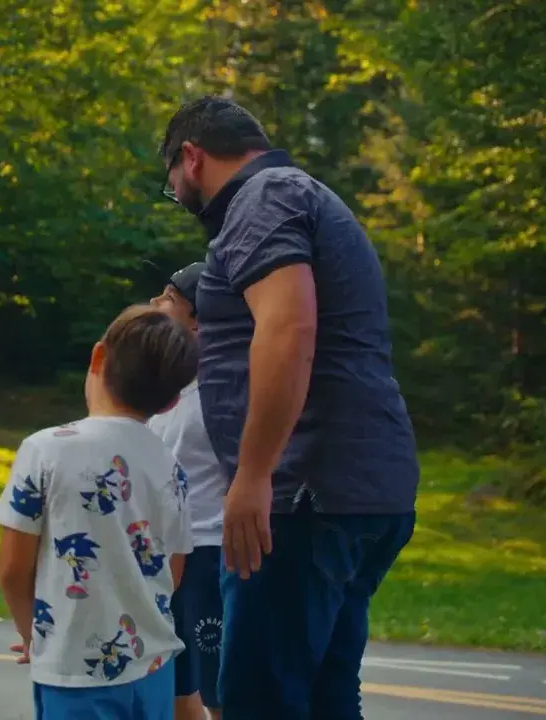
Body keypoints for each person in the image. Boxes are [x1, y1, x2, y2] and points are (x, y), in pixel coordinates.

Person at [159, 95, 421, 719]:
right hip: (356, 488)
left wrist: (253, 476)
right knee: (327, 697)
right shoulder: (299, 195)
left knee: (259, 700)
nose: (175, 192)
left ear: (191, 157)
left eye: (170, 180)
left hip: (303, 496)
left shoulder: (263, 199)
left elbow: (288, 329)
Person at [0, 304, 200, 720]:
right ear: (172, 401)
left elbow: (14, 569)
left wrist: (33, 632)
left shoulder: (45, 449)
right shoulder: (171, 466)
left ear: (98, 357)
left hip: (76, 673)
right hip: (154, 667)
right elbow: (173, 573)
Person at [148, 261, 226, 720]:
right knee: (176, 683)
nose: (156, 304)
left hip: (209, 550)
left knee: (218, 687)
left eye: (168, 298)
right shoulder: (168, 387)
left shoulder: (221, 391)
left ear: (197, 318)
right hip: (163, 551)